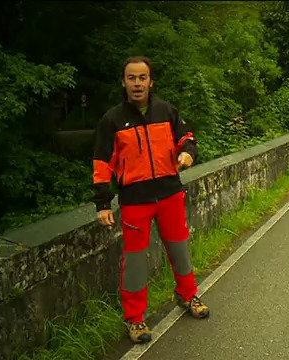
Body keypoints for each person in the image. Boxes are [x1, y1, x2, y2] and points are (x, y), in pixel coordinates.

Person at [92, 56, 209, 344]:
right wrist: (103, 202)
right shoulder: (112, 120)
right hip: (135, 200)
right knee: (134, 262)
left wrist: (187, 153)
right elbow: (101, 162)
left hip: (169, 192)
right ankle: (135, 319)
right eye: (131, 78)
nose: (137, 83)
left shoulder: (166, 111)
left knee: (180, 249)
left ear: (151, 81)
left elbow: (187, 137)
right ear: (123, 82)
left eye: (142, 77)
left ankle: (187, 295)